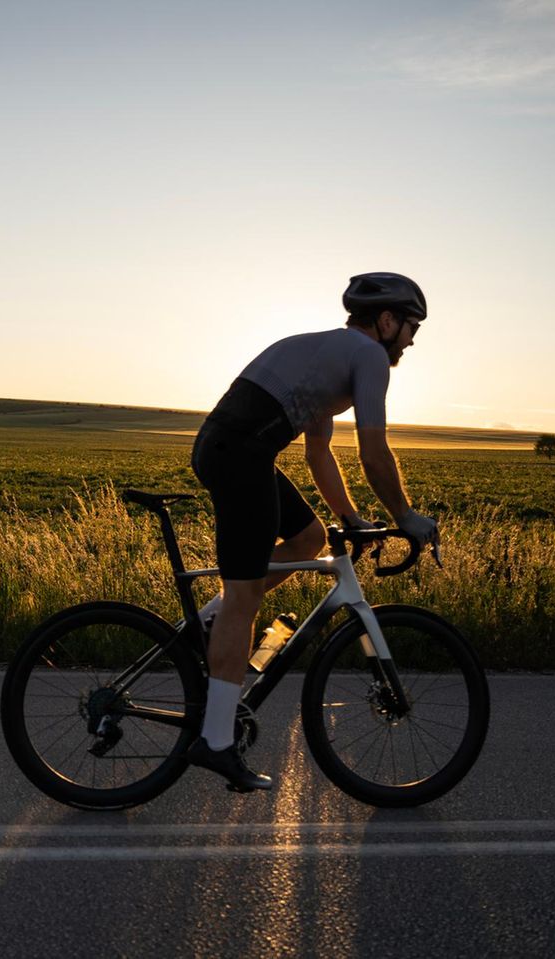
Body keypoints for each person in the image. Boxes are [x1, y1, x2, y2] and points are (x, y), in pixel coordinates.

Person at [187, 272, 439, 791]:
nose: (412, 340)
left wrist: (350, 518)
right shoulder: (367, 357)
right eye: (411, 327)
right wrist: (407, 517)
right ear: (387, 321)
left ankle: (212, 620)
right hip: (240, 456)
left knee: (309, 541)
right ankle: (214, 741)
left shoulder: (329, 355)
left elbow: (318, 453)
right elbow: (373, 450)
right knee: (246, 600)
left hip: (234, 450)